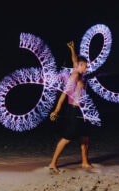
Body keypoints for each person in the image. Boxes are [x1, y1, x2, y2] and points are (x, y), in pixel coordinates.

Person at [48, 41, 93, 174]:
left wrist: (72, 49)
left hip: (83, 111)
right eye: (85, 65)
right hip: (74, 111)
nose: (87, 68)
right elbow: (64, 94)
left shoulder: (80, 74)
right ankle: (52, 163)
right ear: (80, 65)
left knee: (85, 137)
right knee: (67, 138)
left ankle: (84, 162)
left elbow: (75, 60)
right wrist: (57, 109)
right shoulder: (74, 76)